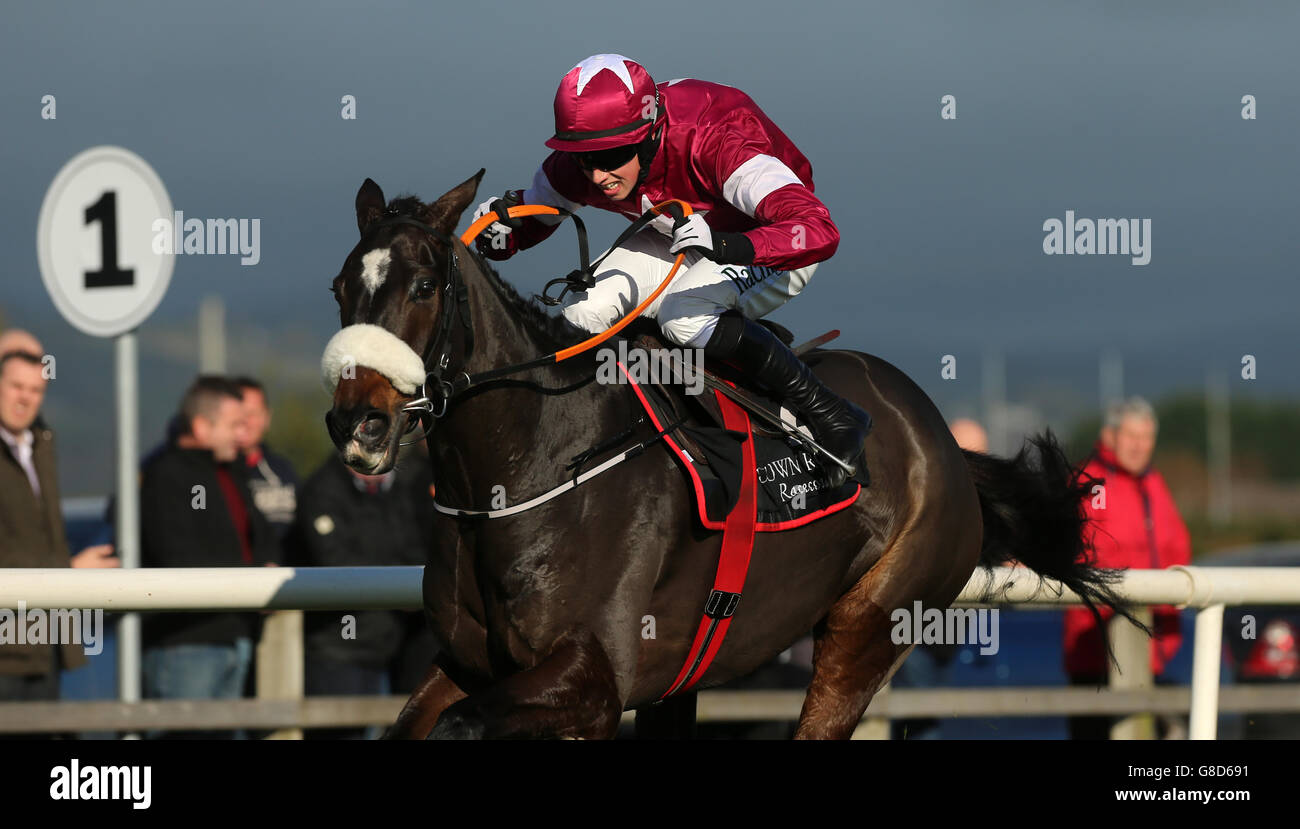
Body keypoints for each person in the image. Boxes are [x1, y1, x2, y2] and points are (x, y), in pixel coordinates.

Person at [472, 54, 871, 487]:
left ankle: (831, 412)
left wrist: (726, 245)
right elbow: (527, 225)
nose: (599, 175)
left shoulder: (717, 138)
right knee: (581, 314)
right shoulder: (581, 164)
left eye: (613, 157)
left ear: (650, 135)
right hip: (675, 231)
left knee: (683, 316)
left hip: (765, 237)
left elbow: (818, 230)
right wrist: (497, 235)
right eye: (585, 159)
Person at [139, 375, 278, 738]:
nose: (242, 434)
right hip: (186, 643)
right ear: (201, 426)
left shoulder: (232, 472)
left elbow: (260, 536)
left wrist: (267, 573)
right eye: (234, 425)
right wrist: (250, 582)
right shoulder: (165, 476)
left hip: (236, 637)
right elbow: (176, 555)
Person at [0, 344, 118, 737]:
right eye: (16, 386)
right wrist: (68, 571)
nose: (25, 398)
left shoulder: (40, 445)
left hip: (44, 640)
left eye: (35, 390)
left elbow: (44, 538)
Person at [1063, 397, 1191, 740]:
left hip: (1152, 648)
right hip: (1096, 649)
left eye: (1146, 437)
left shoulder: (1154, 485)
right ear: (1110, 436)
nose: (1139, 446)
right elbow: (1079, 556)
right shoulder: (1089, 483)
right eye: (1131, 436)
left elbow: (1177, 548)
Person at [290, 451, 439, 739]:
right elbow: (335, 562)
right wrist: (399, 586)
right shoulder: (322, 489)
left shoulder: (396, 489)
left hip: (387, 646)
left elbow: (413, 548)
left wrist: (405, 585)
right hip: (337, 649)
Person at [231, 377, 298, 565]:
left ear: (266, 417)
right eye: (238, 413)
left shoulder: (283, 471)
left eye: (252, 413)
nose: (245, 421)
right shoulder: (211, 477)